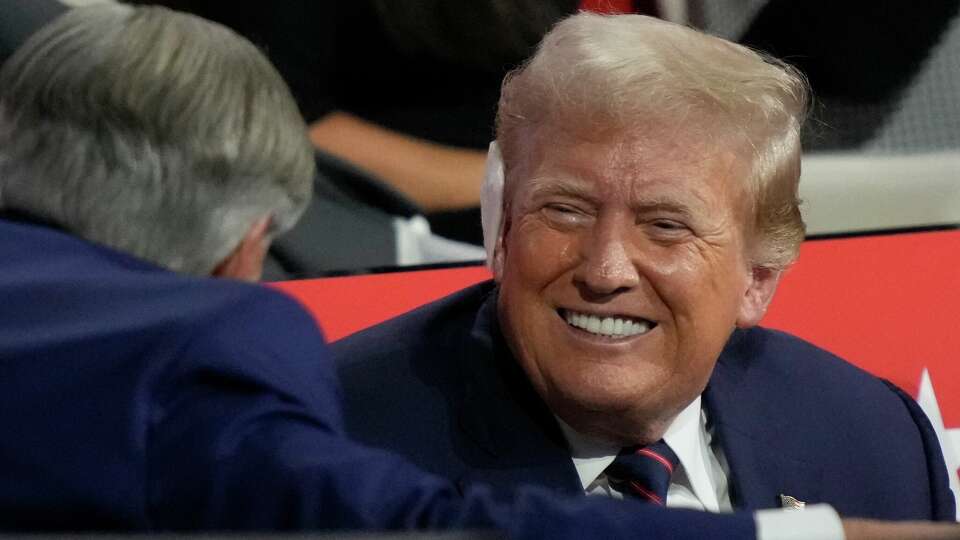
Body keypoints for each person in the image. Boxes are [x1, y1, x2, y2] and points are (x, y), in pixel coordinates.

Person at [332, 11, 958, 536]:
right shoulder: (333, 448)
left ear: (757, 278)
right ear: (501, 231)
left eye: (665, 226)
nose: (604, 270)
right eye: (565, 211)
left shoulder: (877, 442)